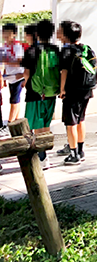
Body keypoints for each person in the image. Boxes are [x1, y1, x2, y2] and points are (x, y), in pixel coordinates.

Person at [22, 20, 60, 169]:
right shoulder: (55, 50)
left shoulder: (32, 51)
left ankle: (42, 157)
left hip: (34, 93)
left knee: (37, 125)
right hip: (50, 93)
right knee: (46, 124)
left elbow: (26, 73)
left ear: (37, 34)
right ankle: (45, 154)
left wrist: (27, 83)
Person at [58, 21, 96, 166]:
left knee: (71, 123)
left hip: (72, 91)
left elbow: (64, 71)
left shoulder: (66, 51)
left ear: (66, 35)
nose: (57, 32)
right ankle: (80, 150)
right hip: (86, 90)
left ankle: (73, 154)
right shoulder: (86, 48)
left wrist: (62, 90)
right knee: (81, 119)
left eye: (60, 30)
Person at [1, 22, 26, 125]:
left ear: (14, 34)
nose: (6, 35)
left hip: (18, 77)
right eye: (4, 33)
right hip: (10, 77)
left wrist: (6, 61)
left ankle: (10, 123)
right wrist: (5, 77)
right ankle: (15, 120)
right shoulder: (5, 46)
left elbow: (20, 62)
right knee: (15, 99)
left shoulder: (17, 46)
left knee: (14, 100)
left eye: (9, 33)